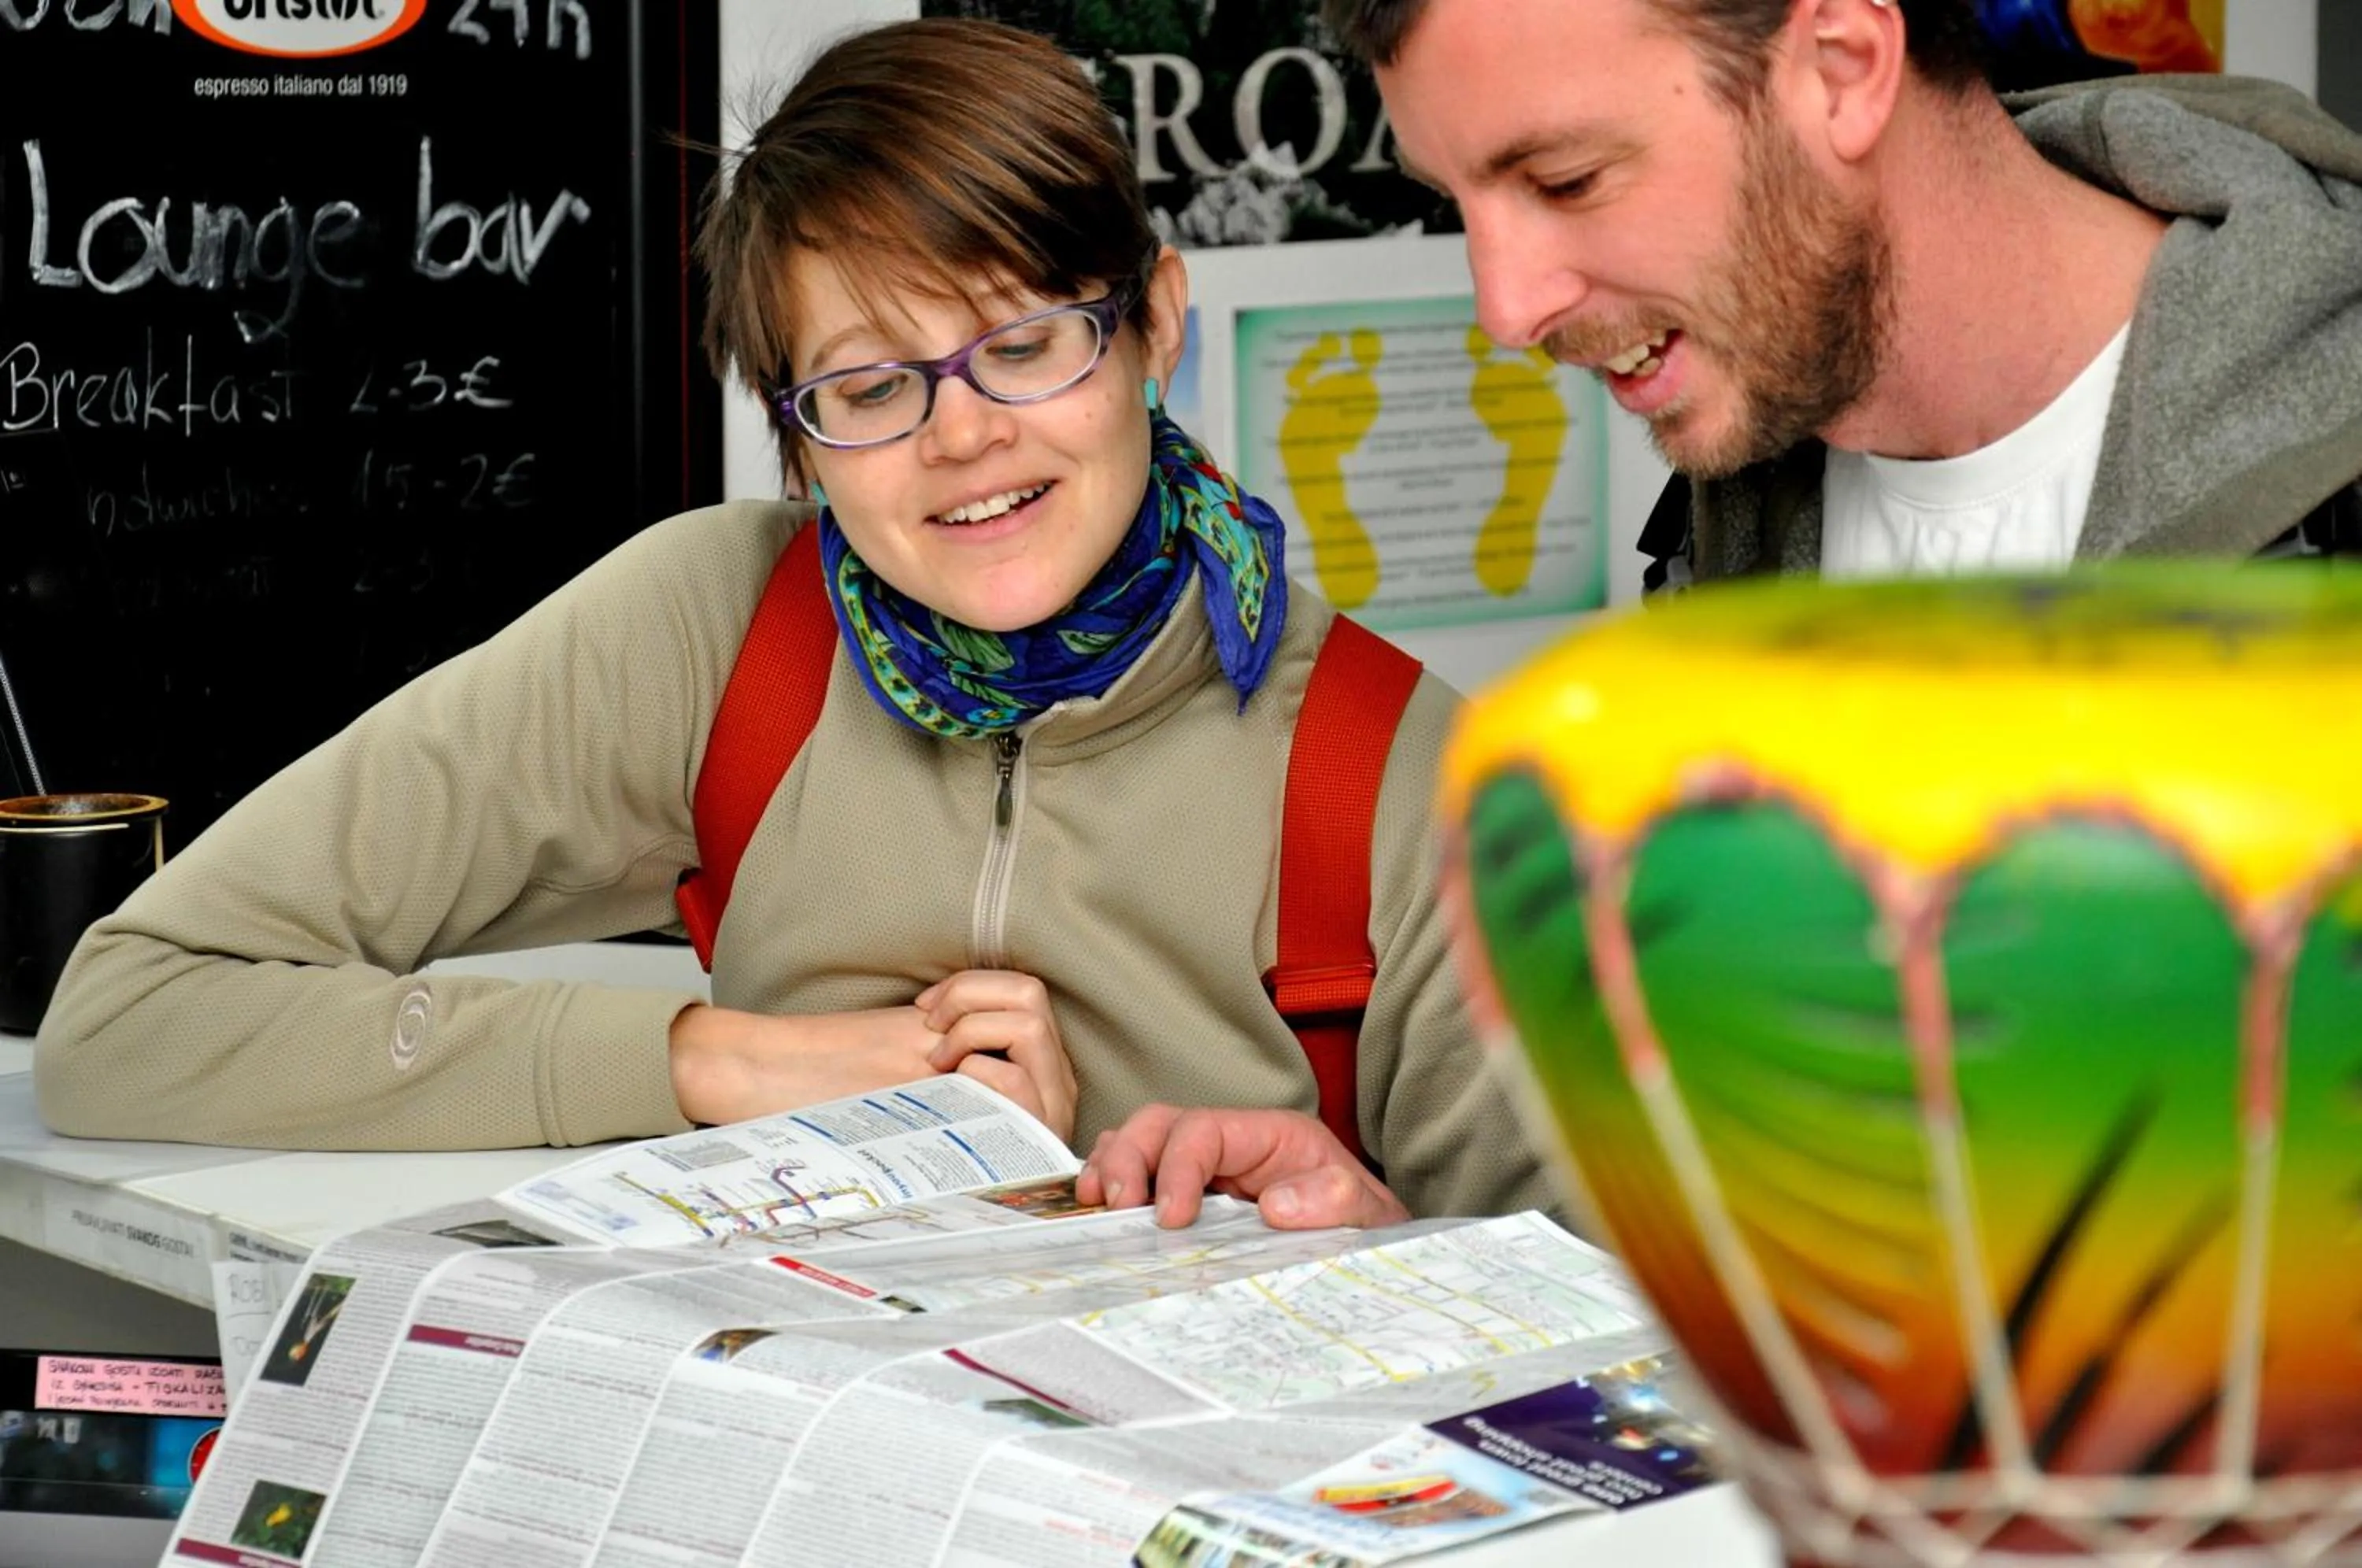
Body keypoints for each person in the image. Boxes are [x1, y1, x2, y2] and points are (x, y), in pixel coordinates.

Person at [33, 19, 1548, 1232]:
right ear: (797, 436)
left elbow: (1638, 1353)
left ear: (1154, 322)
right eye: (872, 388)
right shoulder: (704, 629)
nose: (962, 438)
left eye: (1023, 344)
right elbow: (129, 1019)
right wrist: (730, 1065)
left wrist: (1370, 1220)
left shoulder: (1408, 775)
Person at [1321, 0, 2362, 594]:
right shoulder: (1720, 538)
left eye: (1567, 180)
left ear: (1842, 68)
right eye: (1460, 202)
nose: (1506, 309)